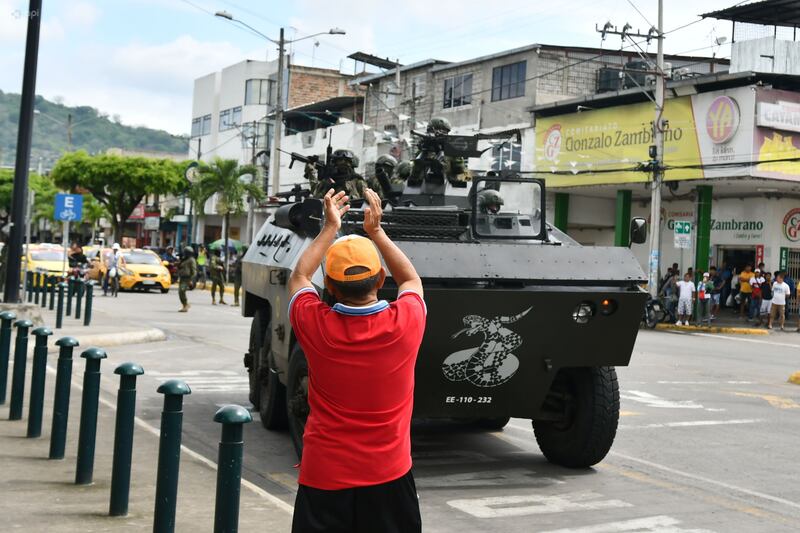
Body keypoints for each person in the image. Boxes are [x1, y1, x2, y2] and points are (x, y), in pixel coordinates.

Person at [287, 188, 425, 533]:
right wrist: (376, 231)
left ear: (330, 287)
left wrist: (329, 228)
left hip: (324, 477)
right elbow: (410, 279)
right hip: (389, 476)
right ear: (380, 279)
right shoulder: (406, 322)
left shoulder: (316, 325)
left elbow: (299, 277)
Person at [177, 246, 197, 313]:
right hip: (182, 278)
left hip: (187, 278)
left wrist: (191, 280)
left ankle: (186, 305)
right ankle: (184, 305)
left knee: (182, 291)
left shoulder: (191, 260)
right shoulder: (184, 259)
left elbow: (194, 271)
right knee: (180, 292)